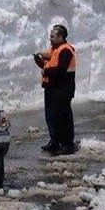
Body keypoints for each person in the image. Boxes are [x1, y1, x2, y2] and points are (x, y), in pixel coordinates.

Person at [33, 24, 77, 155]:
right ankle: (55, 142)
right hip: (52, 88)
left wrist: (45, 71)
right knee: (51, 117)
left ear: (60, 37)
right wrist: (39, 61)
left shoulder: (66, 50)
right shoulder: (54, 50)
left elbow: (59, 70)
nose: (50, 39)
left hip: (63, 89)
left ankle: (68, 144)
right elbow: (48, 66)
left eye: (52, 36)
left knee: (63, 117)